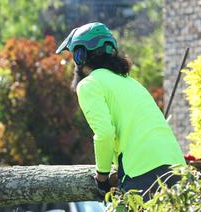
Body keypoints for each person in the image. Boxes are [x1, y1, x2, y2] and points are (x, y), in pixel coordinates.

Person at [56, 22, 185, 200]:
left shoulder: (89, 84)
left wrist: (102, 176)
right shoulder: (130, 82)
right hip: (177, 166)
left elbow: (105, 134)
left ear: (80, 55)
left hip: (143, 171)